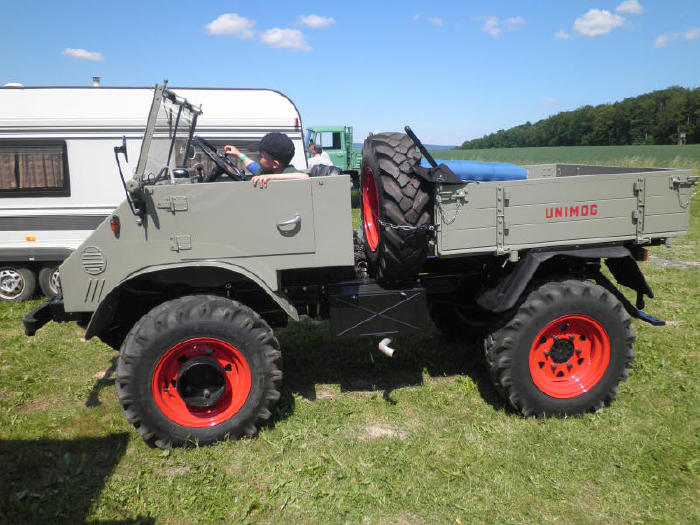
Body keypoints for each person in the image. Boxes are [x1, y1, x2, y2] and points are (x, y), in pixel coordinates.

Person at [224, 132, 308, 189]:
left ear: (275, 164)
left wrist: (270, 177)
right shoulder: (265, 171)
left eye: (261, 156)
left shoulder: (288, 171)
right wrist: (238, 154)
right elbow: (252, 166)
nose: (258, 159)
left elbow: (304, 177)